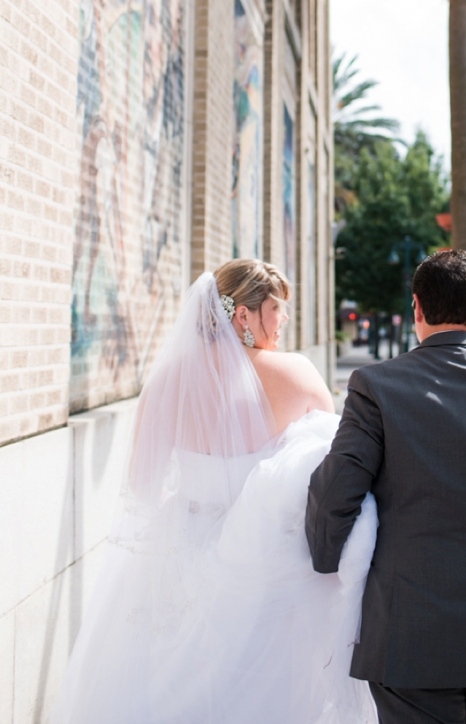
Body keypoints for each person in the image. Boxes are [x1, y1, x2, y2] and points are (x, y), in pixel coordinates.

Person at [51, 261, 379, 724]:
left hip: (180, 544)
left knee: (160, 674)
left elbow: (141, 482)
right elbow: (330, 483)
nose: (284, 318)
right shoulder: (299, 376)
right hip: (268, 557)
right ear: (242, 317)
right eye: (275, 308)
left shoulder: (167, 381)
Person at [306, 248, 466, 724]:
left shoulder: (376, 386)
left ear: (417, 308)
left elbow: (338, 489)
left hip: (413, 628)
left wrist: (322, 560)